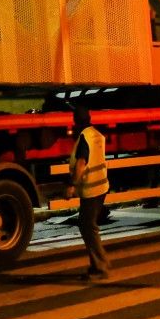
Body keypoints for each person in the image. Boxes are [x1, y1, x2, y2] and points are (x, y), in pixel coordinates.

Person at [66, 103, 112, 279]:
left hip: (91, 190)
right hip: (101, 187)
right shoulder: (97, 135)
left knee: (88, 227)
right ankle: (98, 264)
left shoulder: (84, 138)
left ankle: (101, 265)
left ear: (76, 122)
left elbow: (81, 163)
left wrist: (72, 185)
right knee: (87, 226)